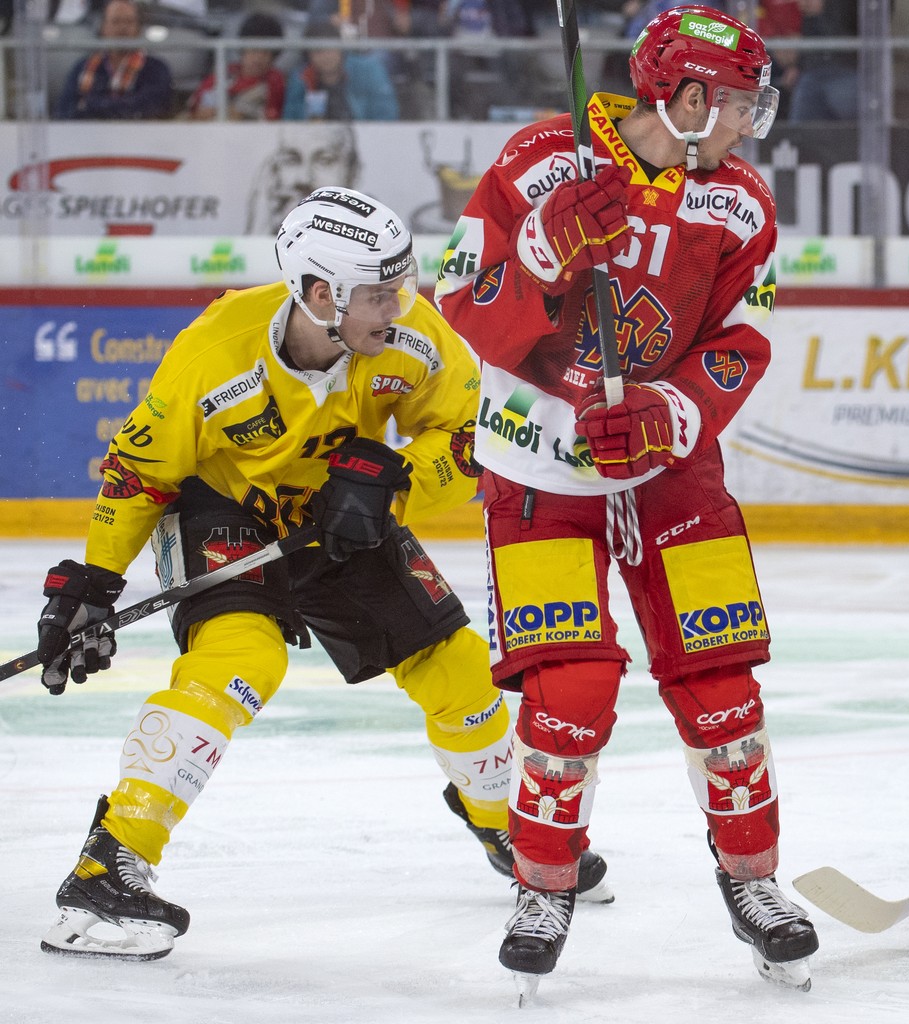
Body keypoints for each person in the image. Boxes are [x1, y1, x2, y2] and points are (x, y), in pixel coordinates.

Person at [35, 186, 611, 962]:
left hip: (347, 506)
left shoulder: (416, 337)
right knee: (242, 659)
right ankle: (106, 869)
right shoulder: (214, 351)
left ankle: (505, 826)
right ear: (317, 293)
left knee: (458, 667)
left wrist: (397, 478)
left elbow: (476, 436)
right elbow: (140, 475)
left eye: (400, 285)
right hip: (220, 505)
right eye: (378, 292)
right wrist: (94, 585)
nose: (398, 305)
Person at [434, 4, 818, 997]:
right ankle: (543, 883)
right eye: (737, 102)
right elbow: (462, 299)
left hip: (670, 471)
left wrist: (668, 412)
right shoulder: (537, 163)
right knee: (570, 692)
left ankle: (754, 879)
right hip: (537, 463)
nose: (750, 121)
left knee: (722, 681)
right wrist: (544, 259)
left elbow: (741, 341)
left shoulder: (741, 203)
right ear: (687, 99)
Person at [55, 0, 173, 119]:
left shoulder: (155, 69)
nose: (122, 28)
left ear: (138, 28)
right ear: (103, 27)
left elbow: (149, 109)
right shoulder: (83, 67)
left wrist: (91, 105)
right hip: (88, 135)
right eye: (115, 21)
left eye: (129, 21)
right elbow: (65, 111)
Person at [282, 20, 399, 121]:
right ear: (309, 56)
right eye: (318, 51)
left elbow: (386, 115)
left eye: (330, 49)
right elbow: (291, 122)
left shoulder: (369, 70)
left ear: (341, 49)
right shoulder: (301, 79)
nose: (326, 56)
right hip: (318, 142)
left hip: (365, 140)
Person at [186, 10, 286, 121]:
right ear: (242, 49)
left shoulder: (275, 81)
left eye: (265, 53)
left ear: (274, 56)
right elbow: (193, 111)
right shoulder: (223, 75)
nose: (258, 58)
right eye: (254, 50)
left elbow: (272, 118)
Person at [789, 0, 857, 122]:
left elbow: (875, 20)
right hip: (812, 71)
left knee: (853, 131)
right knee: (801, 134)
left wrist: (828, 6)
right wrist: (799, 65)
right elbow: (808, 32)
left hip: (847, 70)